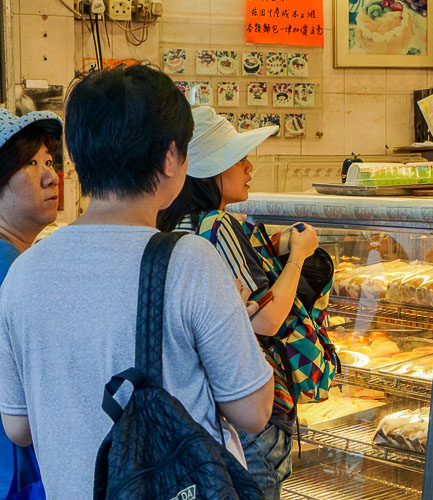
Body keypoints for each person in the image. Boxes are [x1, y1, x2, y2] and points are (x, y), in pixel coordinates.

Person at [0, 65, 274, 499]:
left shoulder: (24, 272)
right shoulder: (189, 262)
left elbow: (18, 427)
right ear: (170, 158)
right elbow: (254, 410)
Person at [157, 106, 320, 500]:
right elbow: (266, 320)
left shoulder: (171, 226)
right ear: (213, 171)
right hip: (250, 415)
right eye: (238, 158)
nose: (248, 167)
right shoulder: (218, 223)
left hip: (203, 410)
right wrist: (298, 255)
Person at [0, 109, 62, 499]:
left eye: (50, 161)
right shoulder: (8, 267)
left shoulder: (22, 260)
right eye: (29, 163)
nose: (50, 175)